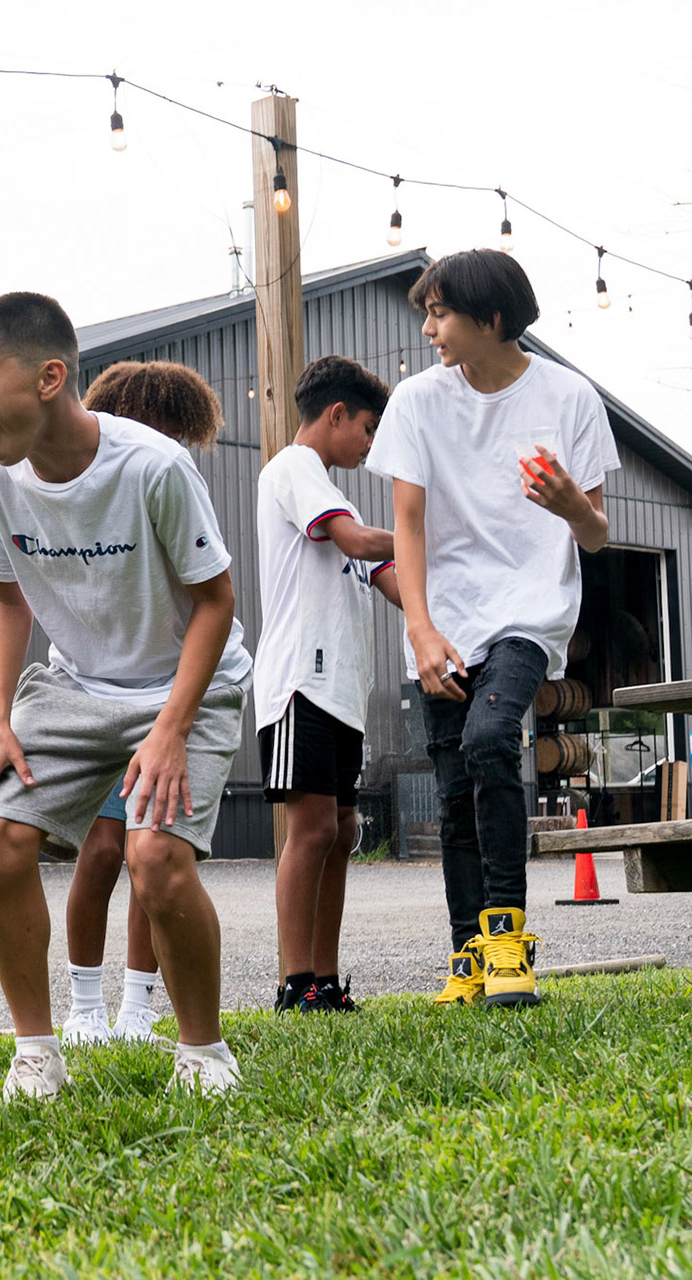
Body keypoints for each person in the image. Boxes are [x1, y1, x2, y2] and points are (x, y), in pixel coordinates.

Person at [0, 292, 253, 1098]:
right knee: (2, 840)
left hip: (190, 681)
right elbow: (8, 602)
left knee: (154, 859)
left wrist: (169, 729)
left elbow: (218, 603)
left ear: (49, 377)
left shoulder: (152, 466)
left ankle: (203, 1053)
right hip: (76, 684)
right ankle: (37, 1052)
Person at [365, 249, 614, 1008]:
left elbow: (597, 535)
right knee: (451, 793)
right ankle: (469, 957)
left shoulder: (570, 398)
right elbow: (406, 526)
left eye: (440, 314)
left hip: (528, 612)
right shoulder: (416, 403)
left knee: (486, 742)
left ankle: (509, 939)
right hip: (444, 619)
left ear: (492, 319)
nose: (429, 328)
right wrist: (420, 629)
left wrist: (569, 504)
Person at [58, 360, 225, 1046]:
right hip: (98, 692)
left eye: (178, 434)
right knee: (100, 852)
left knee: (149, 851)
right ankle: (84, 1005)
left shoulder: (173, 484)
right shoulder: (88, 485)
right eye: (160, 429)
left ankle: (137, 1007)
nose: (169, 444)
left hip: (169, 692)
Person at [255, 356, 397, 1014]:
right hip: (300, 685)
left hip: (342, 692)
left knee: (342, 832)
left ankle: (327, 981)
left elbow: (389, 576)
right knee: (311, 832)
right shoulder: (294, 469)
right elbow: (366, 544)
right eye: (368, 428)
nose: (370, 444)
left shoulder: (336, 493)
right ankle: (295, 983)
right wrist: (429, 534)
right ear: (335, 414)